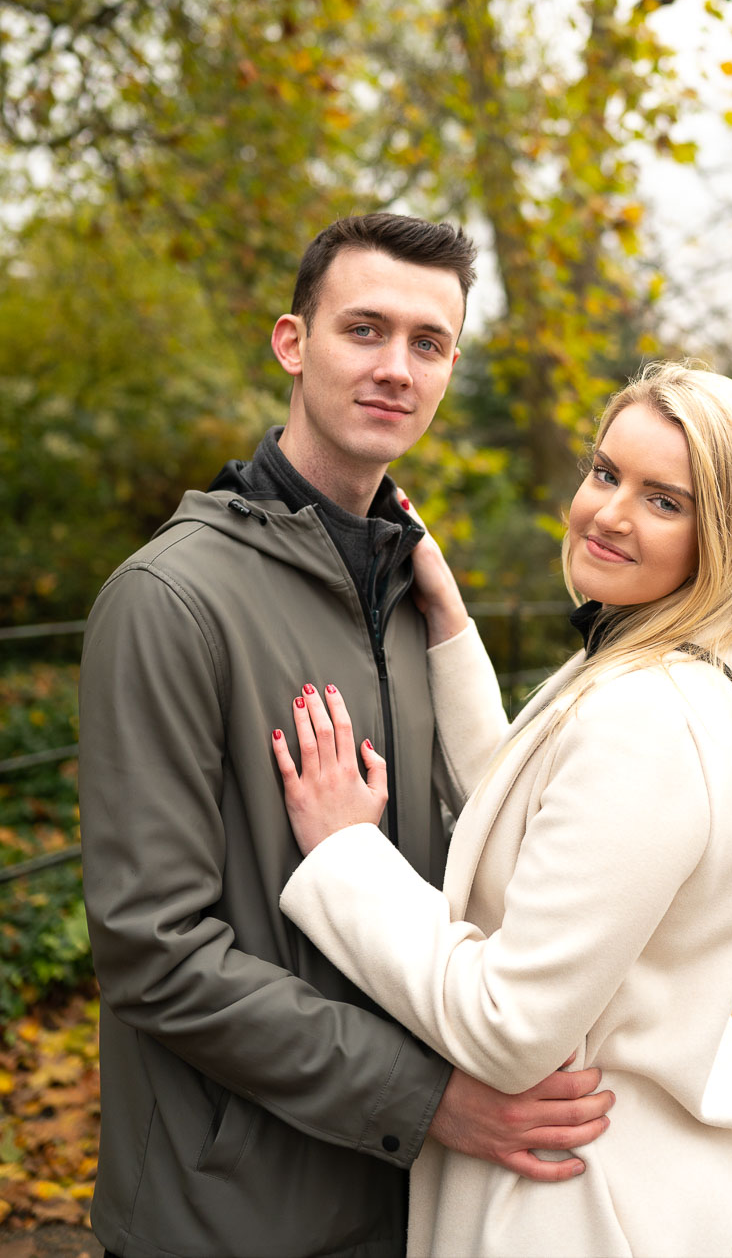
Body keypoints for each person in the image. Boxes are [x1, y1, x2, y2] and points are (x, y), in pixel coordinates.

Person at [77, 212, 613, 1258]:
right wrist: (428, 1100)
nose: (396, 369)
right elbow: (154, 953)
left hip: (405, 1202)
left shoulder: (413, 596)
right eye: (364, 330)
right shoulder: (168, 599)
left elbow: (466, 867)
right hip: (229, 1212)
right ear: (293, 341)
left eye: (429, 343)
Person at [271, 359, 732, 1258]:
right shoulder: (656, 664)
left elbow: (507, 1026)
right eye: (606, 473)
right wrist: (447, 621)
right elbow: (540, 827)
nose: (609, 512)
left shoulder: (649, 715)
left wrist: (347, 855)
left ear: (729, 539)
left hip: (585, 1205)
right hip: (616, 1176)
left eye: (664, 501)